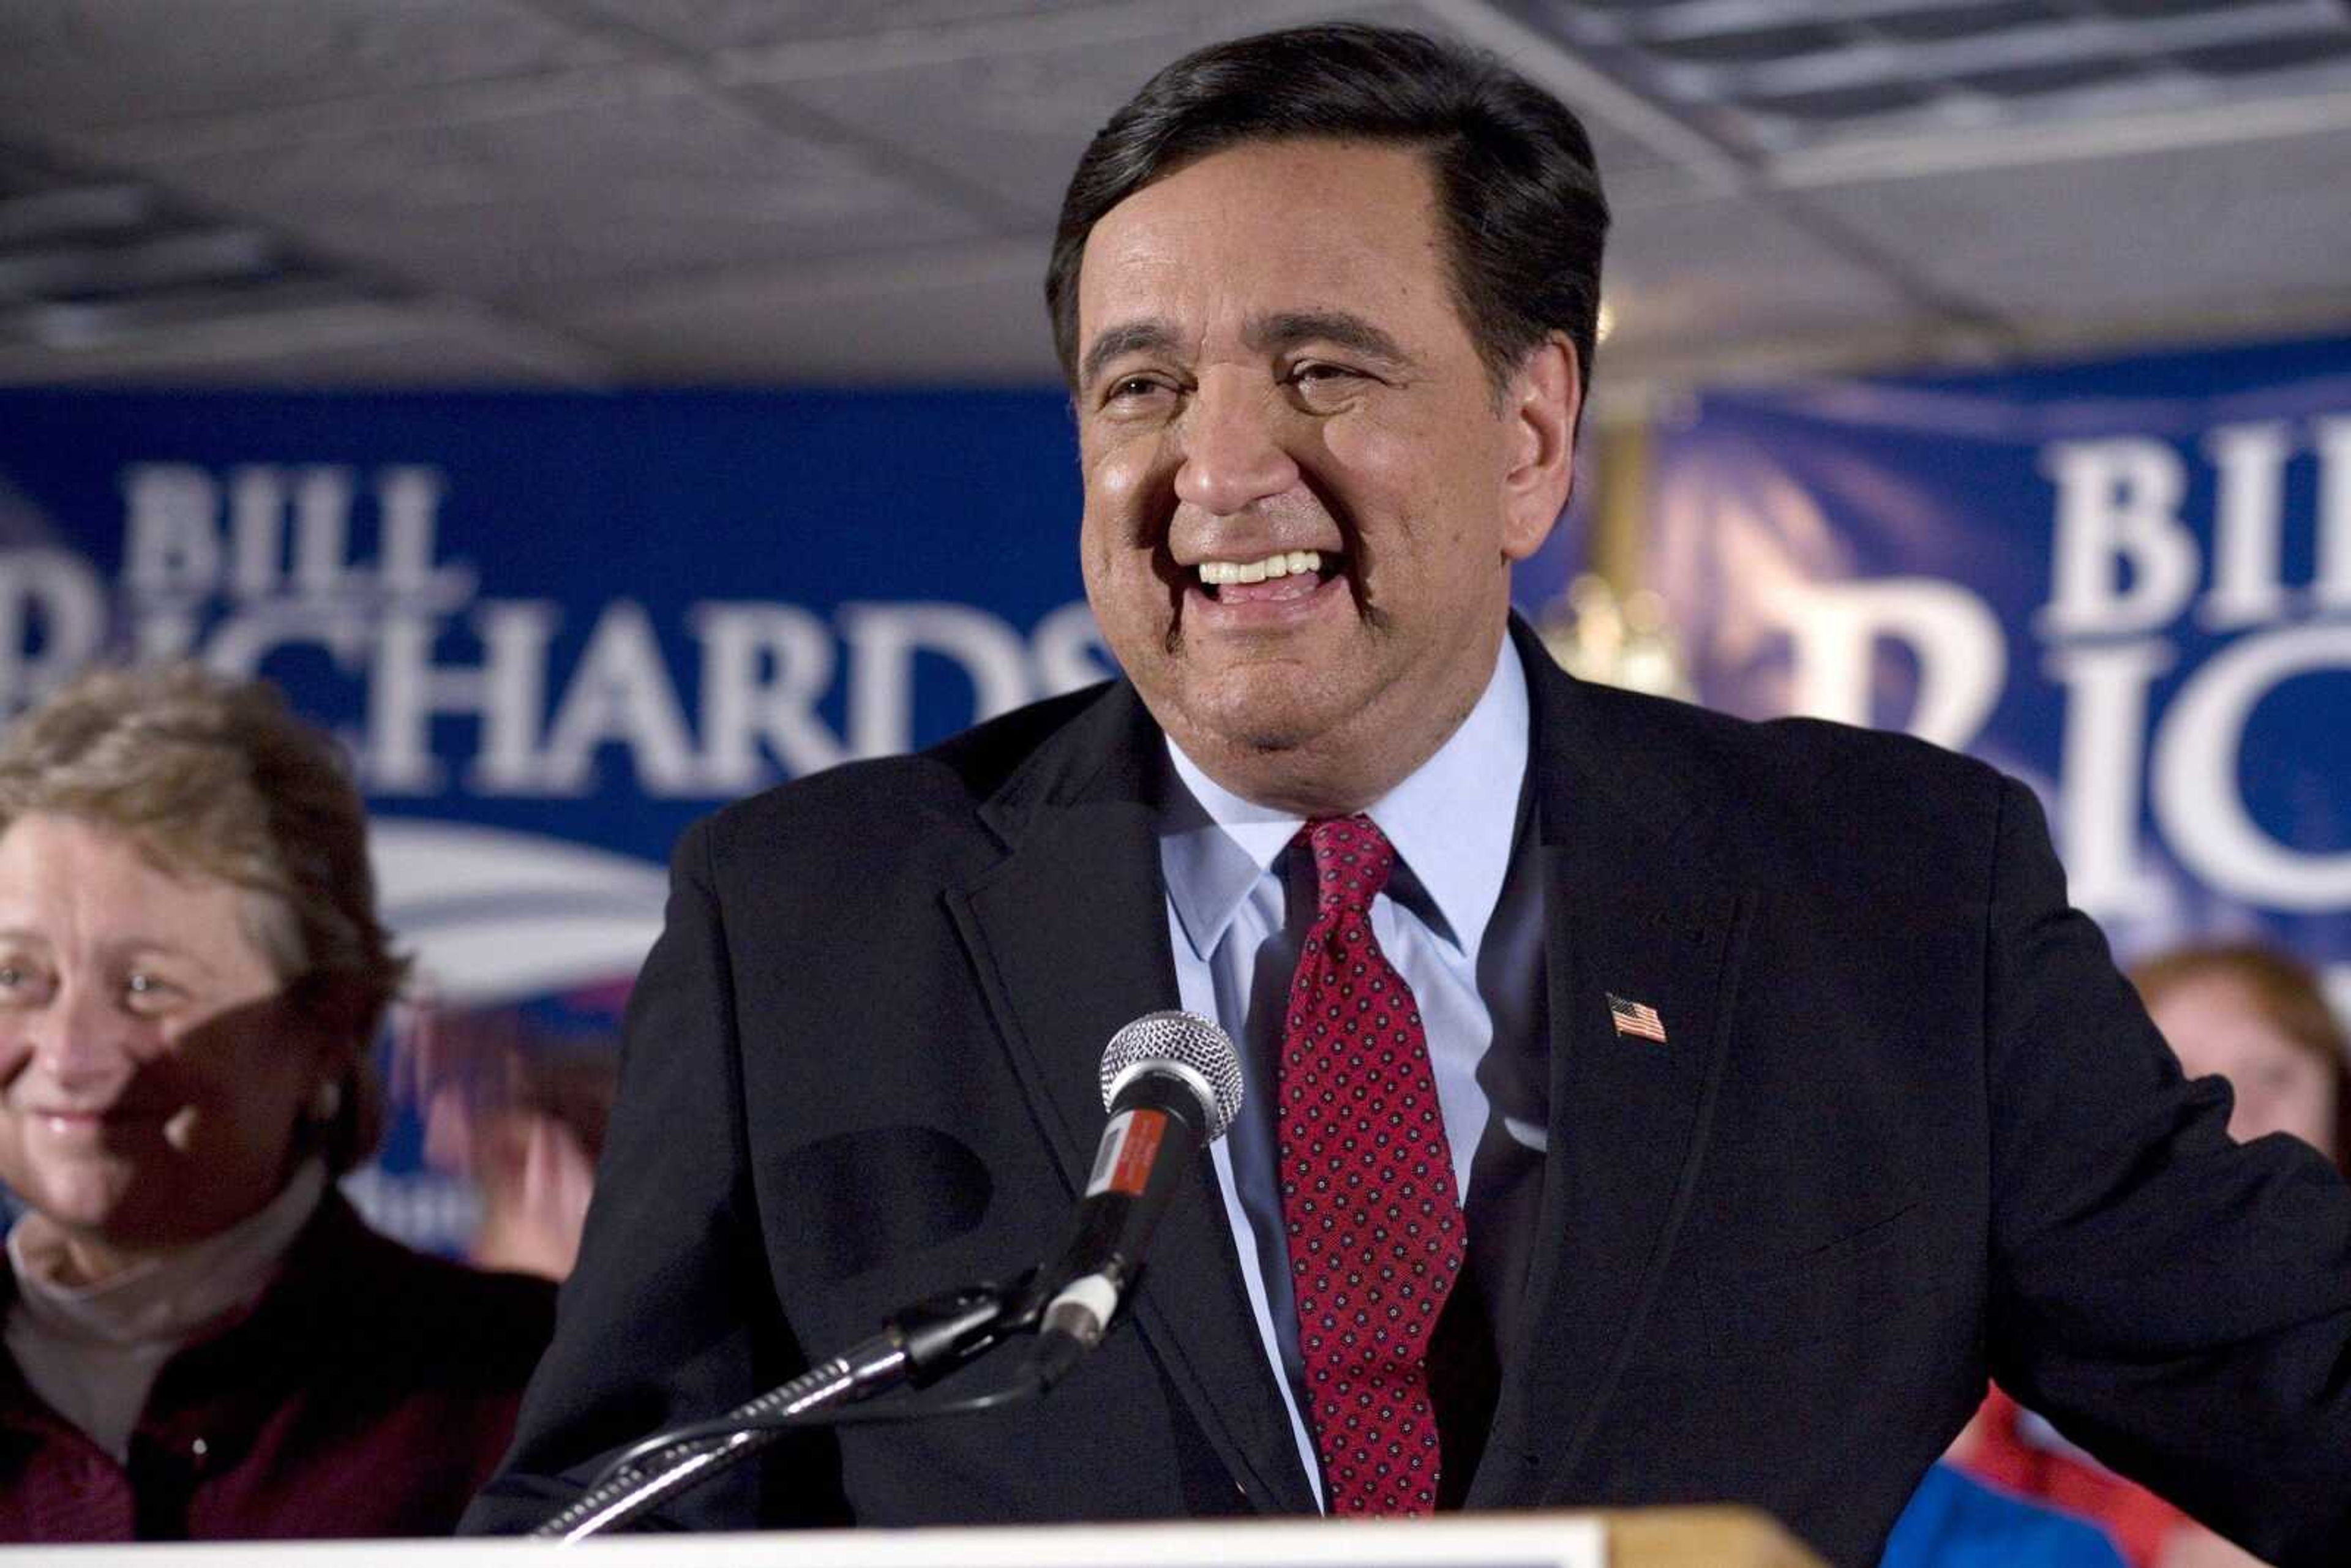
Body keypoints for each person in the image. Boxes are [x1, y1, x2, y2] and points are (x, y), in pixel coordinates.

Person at [463, 24, 2351, 1567]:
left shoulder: (1890, 892)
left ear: (1530, 436)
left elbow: (2292, 1372)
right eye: (1137, 388)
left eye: (1320, 369)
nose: (1214, 467)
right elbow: (612, 1509)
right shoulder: (809, 914)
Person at [0, 664, 553, 1540]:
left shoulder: (528, 1392)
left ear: (330, 1027)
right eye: (18, 976)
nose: (67, 1053)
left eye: (146, 986)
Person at [1956, 943, 2351, 1568]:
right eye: (2185, 1079)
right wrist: (2157, 1546)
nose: (2234, 1111)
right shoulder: (2001, 1325)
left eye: (2273, 1074)